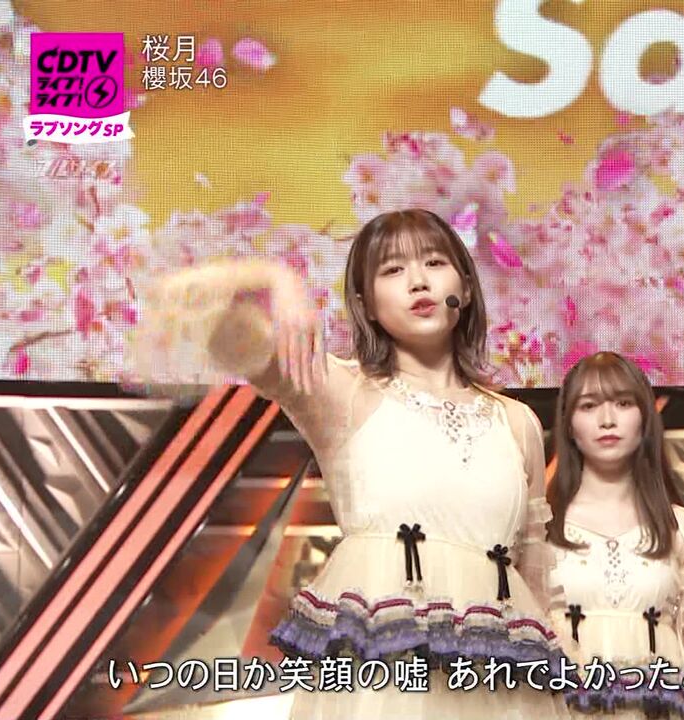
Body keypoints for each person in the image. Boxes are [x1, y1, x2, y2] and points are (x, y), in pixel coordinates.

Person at [129, 209, 572, 719]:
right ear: (367, 306)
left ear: (466, 289)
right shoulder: (338, 390)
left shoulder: (515, 422)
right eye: (392, 270)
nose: (418, 281)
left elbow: (535, 583)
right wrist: (276, 279)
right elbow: (183, 303)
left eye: (434, 262)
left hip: (499, 688)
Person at [545, 351, 684, 719]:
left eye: (623, 403)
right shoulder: (542, 526)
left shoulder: (681, 527)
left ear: (645, 417)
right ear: (568, 425)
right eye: (589, 405)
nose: (607, 419)